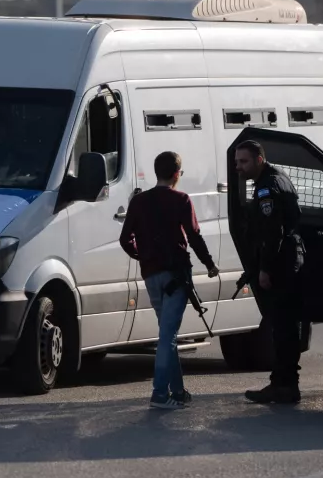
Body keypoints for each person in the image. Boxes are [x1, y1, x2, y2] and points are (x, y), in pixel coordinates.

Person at [119, 151, 219, 409]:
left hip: (151, 274)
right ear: (176, 174)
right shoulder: (182, 200)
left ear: (157, 172)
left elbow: (124, 239)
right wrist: (209, 264)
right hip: (176, 275)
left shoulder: (139, 202)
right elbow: (194, 237)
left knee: (166, 334)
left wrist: (142, 255)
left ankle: (178, 391)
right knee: (168, 336)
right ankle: (159, 394)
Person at [234, 139, 306, 404]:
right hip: (288, 261)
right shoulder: (278, 179)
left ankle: (285, 386)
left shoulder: (267, 188)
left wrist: (264, 268)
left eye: (244, 162)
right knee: (285, 327)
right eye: (237, 162)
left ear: (259, 160)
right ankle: (284, 383)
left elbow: (272, 232)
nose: (238, 167)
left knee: (283, 327)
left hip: (281, 265)